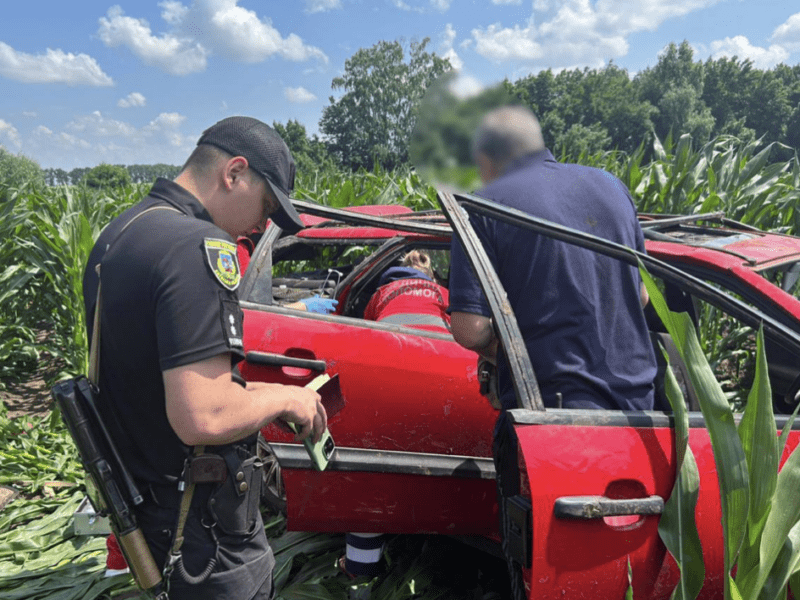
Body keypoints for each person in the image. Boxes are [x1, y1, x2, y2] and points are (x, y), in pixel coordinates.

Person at [83, 116, 327, 600]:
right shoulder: (199, 246)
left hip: (150, 508)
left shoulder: (122, 232)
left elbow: (161, 380)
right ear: (234, 172)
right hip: (203, 535)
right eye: (267, 204)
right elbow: (202, 416)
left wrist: (261, 391)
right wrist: (285, 398)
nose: (263, 224)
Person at [447, 105, 657, 590]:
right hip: (640, 414)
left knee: (546, 569)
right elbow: (642, 294)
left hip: (554, 425)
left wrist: (519, 349)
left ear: (485, 156)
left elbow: (470, 329)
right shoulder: (610, 186)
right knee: (621, 569)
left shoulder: (481, 203)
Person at [363, 250, 450, 332]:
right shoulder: (443, 293)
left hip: (389, 344)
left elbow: (365, 325)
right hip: (435, 346)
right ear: (431, 276)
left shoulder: (382, 292)